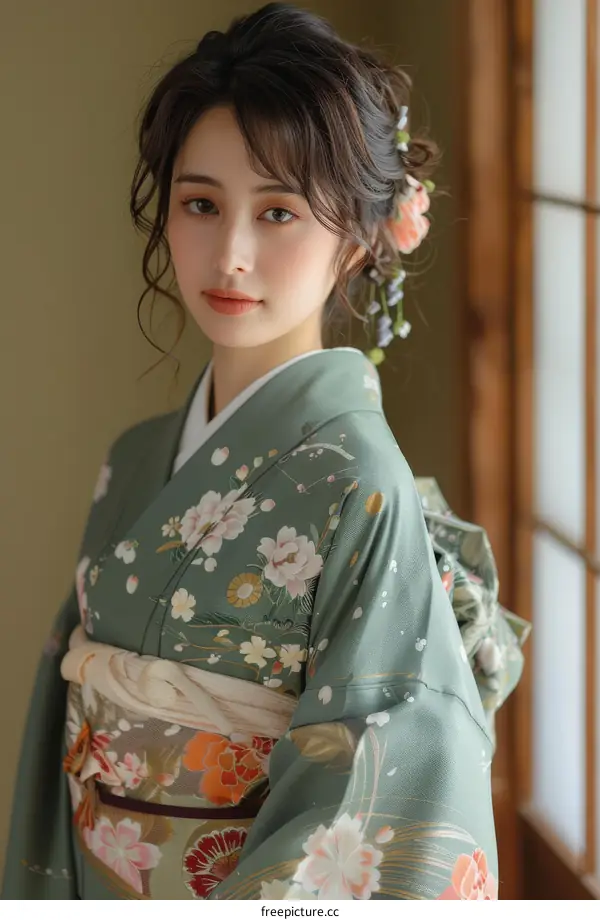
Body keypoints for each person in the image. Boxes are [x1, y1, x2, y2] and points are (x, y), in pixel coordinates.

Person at [1, 2, 529, 900]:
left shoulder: (360, 485)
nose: (230, 253)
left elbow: (382, 783)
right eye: (200, 204)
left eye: (279, 213)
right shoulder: (135, 458)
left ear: (360, 239)